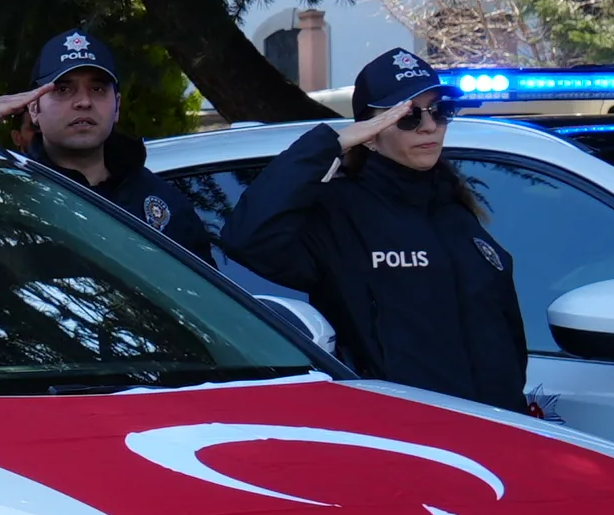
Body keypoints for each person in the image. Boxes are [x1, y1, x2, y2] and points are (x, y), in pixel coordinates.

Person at [223, 45, 527, 408]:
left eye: (440, 111)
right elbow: (248, 238)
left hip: (498, 433)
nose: (429, 126)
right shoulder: (340, 212)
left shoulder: (455, 211)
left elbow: (505, 334)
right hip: (407, 437)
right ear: (372, 131)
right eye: (409, 116)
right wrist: (332, 143)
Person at [0, 28, 200, 246]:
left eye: (98, 89)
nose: (84, 102)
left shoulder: (162, 202)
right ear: (33, 107)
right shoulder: (6, 196)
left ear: (117, 106)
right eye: (63, 89)